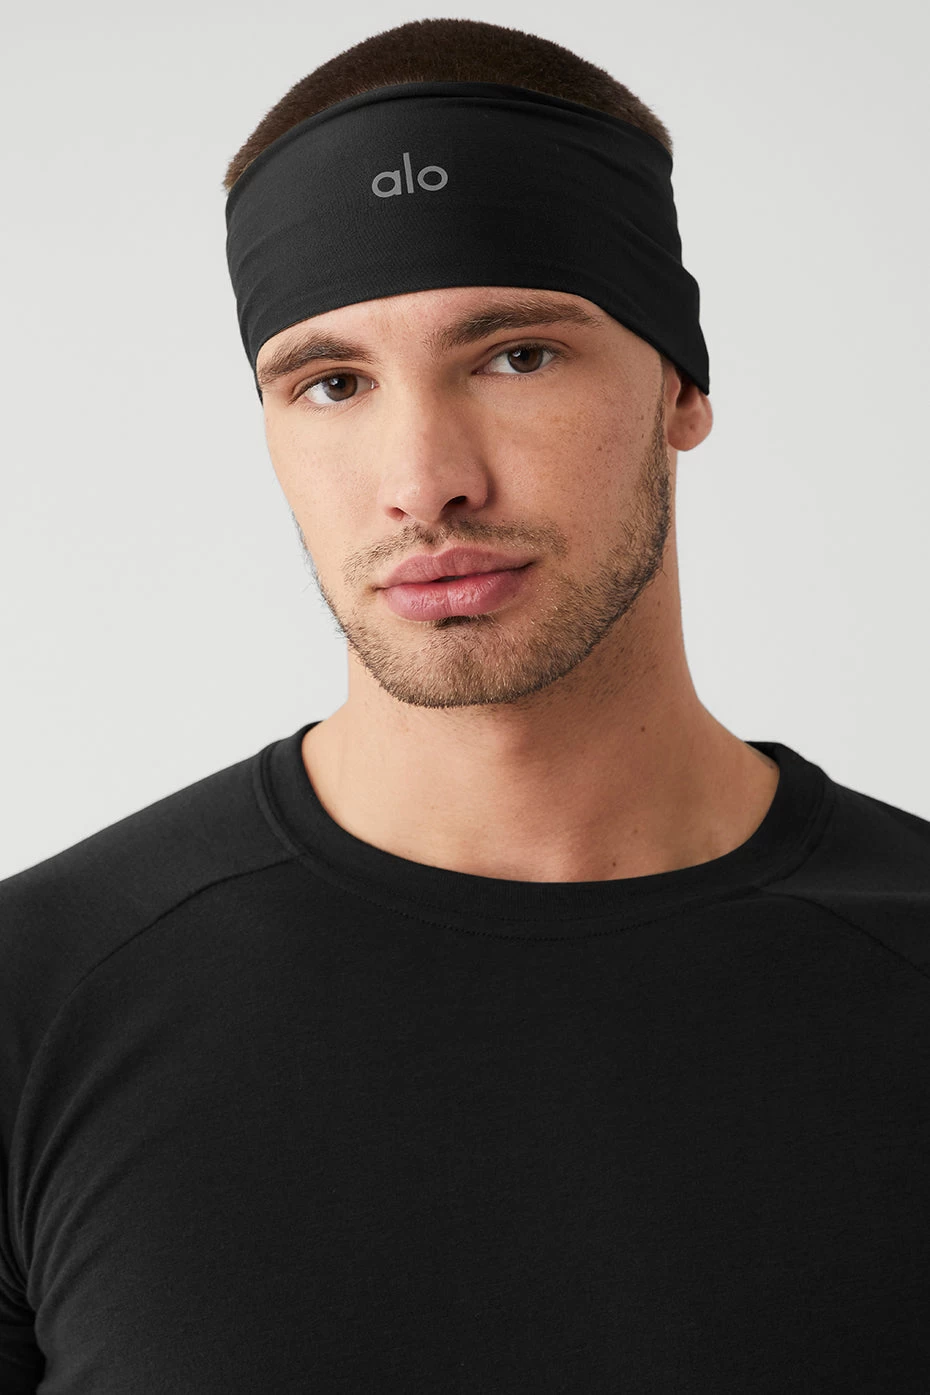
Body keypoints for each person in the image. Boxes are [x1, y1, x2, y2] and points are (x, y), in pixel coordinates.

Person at [2, 18, 928, 1394]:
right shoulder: (37, 1001)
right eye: (332, 383)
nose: (422, 479)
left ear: (681, 381)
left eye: (515, 356)